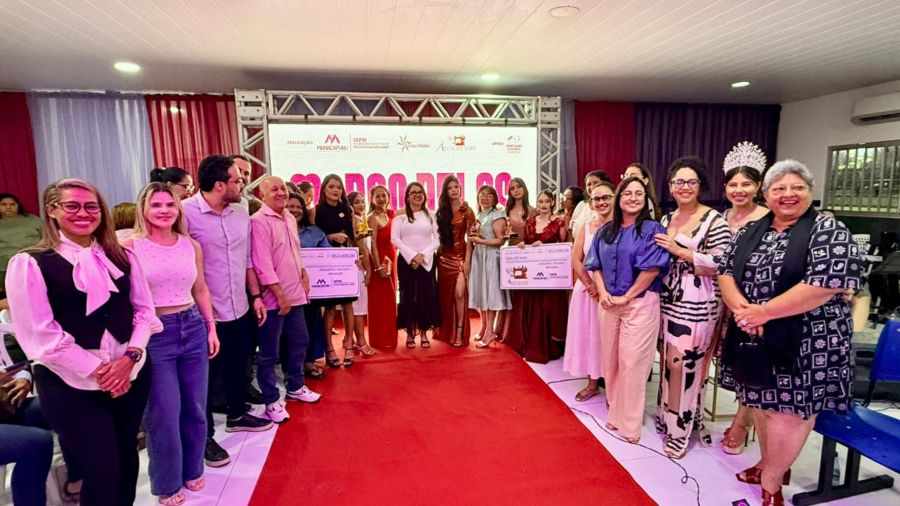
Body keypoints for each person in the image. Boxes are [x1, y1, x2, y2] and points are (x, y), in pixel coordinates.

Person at [6, 178, 162, 505]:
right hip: (68, 381)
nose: (84, 213)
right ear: (52, 210)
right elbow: (41, 335)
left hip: (131, 371)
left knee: (126, 455)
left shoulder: (122, 256)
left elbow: (144, 312)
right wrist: (102, 371)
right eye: (72, 206)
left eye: (92, 206)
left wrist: (130, 358)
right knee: (101, 468)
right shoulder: (30, 263)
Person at [718, 160, 863, 506]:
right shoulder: (751, 230)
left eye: (797, 187)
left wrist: (763, 312)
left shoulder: (828, 230)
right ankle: (770, 465)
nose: (788, 194)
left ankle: (771, 482)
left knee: (790, 412)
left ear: (810, 192)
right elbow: (725, 272)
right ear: (766, 194)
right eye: (779, 188)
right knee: (761, 403)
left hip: (808, 341)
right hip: (754, 334)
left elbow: (825, 285)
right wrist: (744, 311)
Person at [127, 182, 220, 505]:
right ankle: (166, 483)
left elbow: (201, 289)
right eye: (156, 205)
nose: (164, 210)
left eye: (170, 204)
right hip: (154, 333)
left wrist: (211, 327)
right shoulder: (130, 247)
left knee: (196, 407)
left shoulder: (190, 245)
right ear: (143, 209)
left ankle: (193, 468)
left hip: (192, 326)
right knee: (164, 413)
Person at [182, 155, 272, 469]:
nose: (243, 184)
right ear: (220, 185)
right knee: (203, 380)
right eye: (238, 180)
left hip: (240, 305)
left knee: (238, 366)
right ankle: (204, 436)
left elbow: (246, 259)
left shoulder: (241, 211)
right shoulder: (185, 212)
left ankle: (237, 414)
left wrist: (256, 296)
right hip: (204, 312)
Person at [652, 157, 732, 458]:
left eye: (691, 182)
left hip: (697, 302)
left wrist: (682, 252)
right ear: (670, 187)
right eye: (678, 182)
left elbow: (723, 262)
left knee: (684, 364)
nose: (684, 187)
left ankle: (678, 431)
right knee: (668, 362)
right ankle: (672, 418)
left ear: (701, 186)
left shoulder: (715, 220)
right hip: (666, 299)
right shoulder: (665, 219)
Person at [584, 176, 669, 444]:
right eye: (627, 193)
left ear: (646, 199)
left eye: (638, 194)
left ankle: (630, 425)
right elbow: (594, 264)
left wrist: (627, 296)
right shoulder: (606, 231)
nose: (633, 198)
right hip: (609, 304)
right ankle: (615, 414)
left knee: (633, 364)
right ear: (619, 198)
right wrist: (603, 292)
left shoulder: (652, 229)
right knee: (611, 362)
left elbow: (652, 268)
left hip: (640, 304)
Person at [251, 176, 321, 424]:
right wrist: (280, 295)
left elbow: (294, 252)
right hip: (274, 300)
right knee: (269, 353)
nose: (281, 193)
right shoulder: (258, 221)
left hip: (295, 295)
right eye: (274, 189)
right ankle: (271, 400)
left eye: (283, 188)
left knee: (300, 341)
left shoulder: (290, 217)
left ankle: (295, 386)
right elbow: (261, 263)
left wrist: (303, 272)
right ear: (262, 195)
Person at [718, 142, 769, 456]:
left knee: (749, 360)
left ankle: (741, 421)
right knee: (726, 361)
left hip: (751, 301)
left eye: (746, 184)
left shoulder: (768, 218)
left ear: (758, 186)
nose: (739, 190)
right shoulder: (720, 217)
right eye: (733, 184)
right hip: (716, 298)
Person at [563, 182, 615, 401]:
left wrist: (603, 288)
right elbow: (576, 259)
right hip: (586, 290)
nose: (601, 202)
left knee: (610, 340)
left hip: (613, 291)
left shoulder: (623, 226)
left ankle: (614, 388)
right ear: (591, 203)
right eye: (596, 199)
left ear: (614, 198)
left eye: (606, 197)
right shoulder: (585, 227)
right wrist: (590, 285)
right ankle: (592, 383)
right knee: (589, 336)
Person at [505, 190, 569, 363]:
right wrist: (522, 246)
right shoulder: (530, 222)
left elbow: (563, 248)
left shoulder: (559, 223)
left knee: (548, 307)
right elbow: (526, 242)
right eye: (540, 202)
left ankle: (550, 347)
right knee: (529, 305)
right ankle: (527, 343)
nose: (543, 205)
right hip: (532, 277)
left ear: (552, 203)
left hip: (551, 276)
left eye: (546, 201)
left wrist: (545, 247)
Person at [315, 175, 360, 367]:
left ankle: (349, 344)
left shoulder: (347, 209)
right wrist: (330, 237)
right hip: (326, 263)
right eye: (332, 187)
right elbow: (314, 236)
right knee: (330, 307)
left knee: (348, 305)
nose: (335, 190)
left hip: (346, 262)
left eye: (339, 188)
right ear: (324, 189)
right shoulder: (316, 211)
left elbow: (353, 236)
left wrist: (357, 256)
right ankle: (329, 348)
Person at [391, 182, 441, 348]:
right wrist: (412, 256)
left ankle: (424, 333)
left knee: (426, 297)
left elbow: (438, 239)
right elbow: (395, 239)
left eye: (420, 192)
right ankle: (410, 334)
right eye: (413, 192)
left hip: (426, 262)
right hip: (406, 262)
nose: (417, 195)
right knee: (408, 297)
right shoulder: (400, 216)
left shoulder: (431, 215)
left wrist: (422, 256)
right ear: (407, 196)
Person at [0, 361, 53, 506]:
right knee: (37, 443)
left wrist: (24, 378)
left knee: (58, 406)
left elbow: (10, 367)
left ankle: (78, 478)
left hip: (4, 407)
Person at [287, 193, 327, 379]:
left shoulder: (315, 232)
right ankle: (289, 366)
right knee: (288, 330)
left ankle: (309, 361)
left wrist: (350, 261)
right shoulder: (276, 229)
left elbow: (329, 256)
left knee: (311, 324)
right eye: (290, 206)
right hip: (284, 290)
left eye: (298, 207)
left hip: (311, 290)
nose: (295, 210)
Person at [435, 176, 476, 348]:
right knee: (445, 295)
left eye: (456, 187)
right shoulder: (441, 211)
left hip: (460, 256)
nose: (453, 190)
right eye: (449, 188)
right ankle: (446, 331)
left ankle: (459, 331)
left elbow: (471, 238)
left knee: (460, 293)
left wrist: (467, 262)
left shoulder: (467, 210)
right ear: (445, 191)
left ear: (460, 188)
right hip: (443, 257)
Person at [467, 185, 510, 348]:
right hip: (479, 257)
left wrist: (480, 241)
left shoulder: (497, 214)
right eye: (482, 194)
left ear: (494, 198)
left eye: (489, 195)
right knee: (481, 292)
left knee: (490, 293)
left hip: (491, 257)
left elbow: (500, 241)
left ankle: (490, 331)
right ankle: (484, 326)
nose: (485, 197)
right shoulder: (478, 215)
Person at [495, 178, 533, 341]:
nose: (516, 190)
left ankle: (525, 331)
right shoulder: (505, 211)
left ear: (524, 188)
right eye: (512, 188)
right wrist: (510, 236)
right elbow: (503, 236)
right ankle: (507, 331)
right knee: (510, 292)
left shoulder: (533, 210)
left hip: (528, 254)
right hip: (511, 254)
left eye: (518, 187)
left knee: (525, 292)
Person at [367, 185, 398, 348]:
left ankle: (390, 338)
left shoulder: (391, 215)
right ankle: (379, 339)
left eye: (384, 195)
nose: (381, 199)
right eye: (377, 196)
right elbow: (371, 244)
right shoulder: (372, 218)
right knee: (379, 302)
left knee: (390, 300)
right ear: (372, 199)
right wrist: (378, 267)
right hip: (379, 261)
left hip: (392, 260)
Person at [0, 192, 43, 299]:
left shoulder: (32, 219)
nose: (8, 207)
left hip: (33, 260)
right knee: (15, 297)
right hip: (5, 265)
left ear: (18, 206)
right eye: (4, 204)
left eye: (12, 204)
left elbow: (49, 236)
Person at [348, 191, 375, 357]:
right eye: (357, 202)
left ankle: (350, 340)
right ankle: (361, 342)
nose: (361, 205)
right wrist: (368, 271)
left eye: (363, 202)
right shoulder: (356, 221)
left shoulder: (360, 219)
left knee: (354, 307)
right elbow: (362, 248)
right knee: (358, 308)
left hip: (356, 266)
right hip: (358, 268)